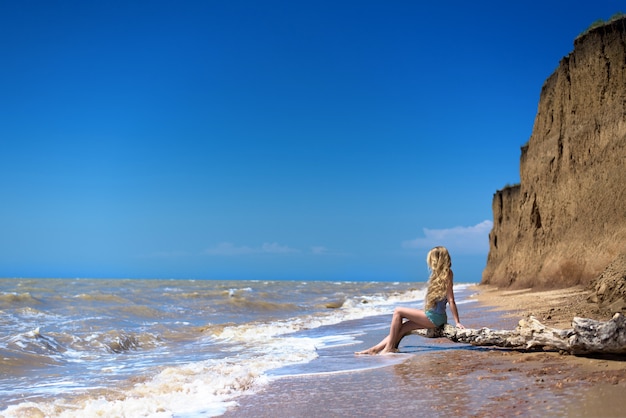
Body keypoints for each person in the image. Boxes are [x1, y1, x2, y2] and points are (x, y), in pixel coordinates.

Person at [356, 246, 464, 355]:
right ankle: (375, 349)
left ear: (437, 259)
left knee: (398, 311)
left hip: (435, 319)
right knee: (402, 328)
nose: (430, 263)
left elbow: (451, 300)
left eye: (431, 260)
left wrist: (457, 322)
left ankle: (389, 348)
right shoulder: (437, 275)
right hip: (432, 315)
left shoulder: (447, 274)